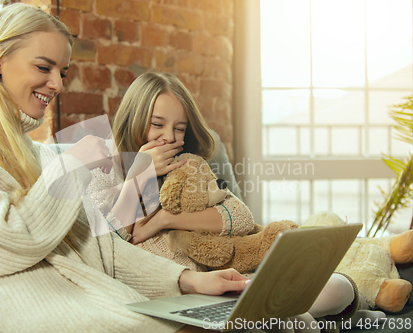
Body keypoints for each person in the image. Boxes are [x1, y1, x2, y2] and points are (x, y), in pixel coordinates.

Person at [0, 4, 256, 333]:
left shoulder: (40, 155)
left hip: (100, 296)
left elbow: (102, 249)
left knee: (263, 320)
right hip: (41, 309)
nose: (58, 85)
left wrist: (188, 280)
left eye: (62, 72)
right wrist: (78, 164)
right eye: (43, 67)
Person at [86, 72, 364, 332]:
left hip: (229, 281)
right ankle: (346, 317)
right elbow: (108, 246)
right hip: (181, 296)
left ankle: (356, 309)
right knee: (296, 316)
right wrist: (139, 174)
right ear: (132, 119)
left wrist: (166, 219)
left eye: (179, 129)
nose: (169, 137)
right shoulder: (104, 179)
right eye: (157, 124)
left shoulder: (189, 169)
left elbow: (239, 215)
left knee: (333, 289)